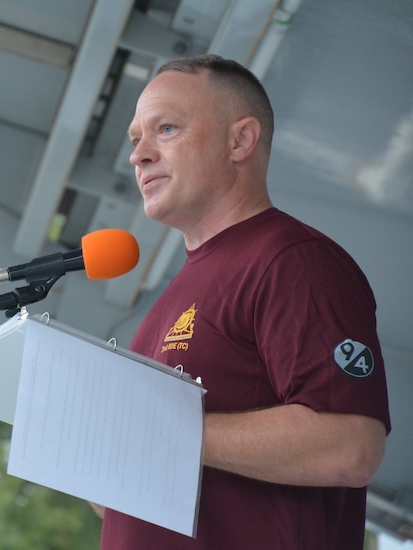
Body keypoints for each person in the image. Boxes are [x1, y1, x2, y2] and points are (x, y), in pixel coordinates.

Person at [97, 54, 391, 549]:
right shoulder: (174, 295)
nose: (139, 155)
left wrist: (164, 432)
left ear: (240, 140)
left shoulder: (293, 260)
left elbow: (351, 446)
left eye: (165, 129)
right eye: (134, 140)